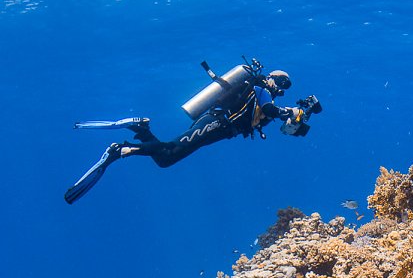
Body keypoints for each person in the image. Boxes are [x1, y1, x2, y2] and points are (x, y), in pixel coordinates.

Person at [64, 61, 322, 204]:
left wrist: (299, 115)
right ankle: (120, 150)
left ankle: (140, 130)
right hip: (217, 122)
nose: (283, 88)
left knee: (166, 159)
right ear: (272, 77)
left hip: (220, 128)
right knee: (171, 148)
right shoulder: (260, 87)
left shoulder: (266, 97)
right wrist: (284, 113)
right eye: (283, 82)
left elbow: (283, 120)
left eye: (286, 86)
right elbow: (268, 107)